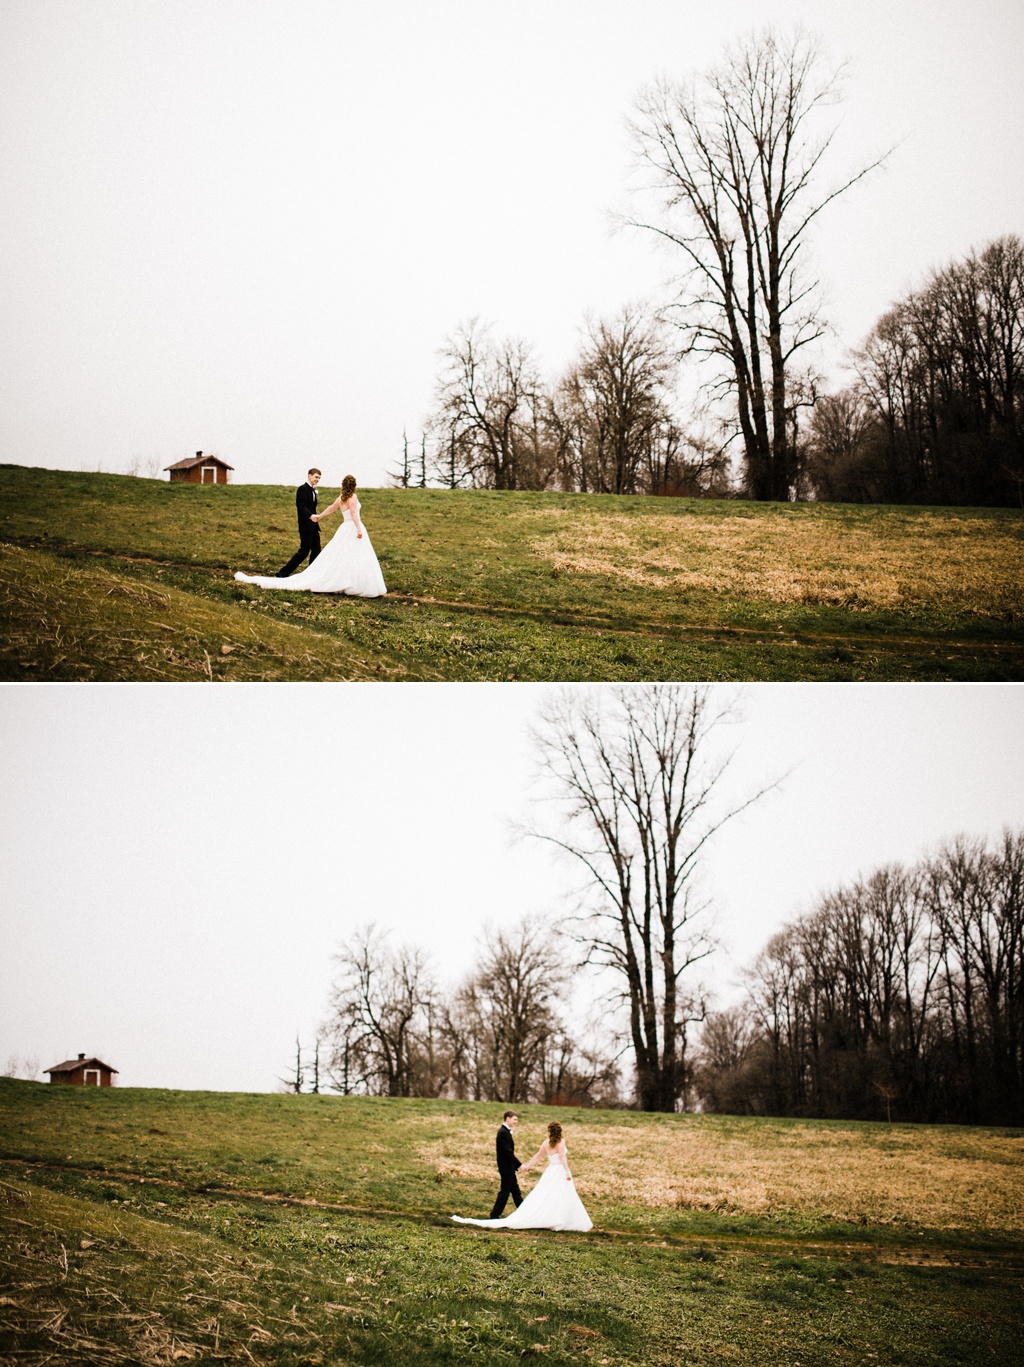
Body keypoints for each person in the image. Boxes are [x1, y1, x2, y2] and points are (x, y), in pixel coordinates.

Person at [234, 474, 386, 596]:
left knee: (342, 554)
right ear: (354, 485)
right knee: (356, 555)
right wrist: (359, 529)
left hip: (344, 528)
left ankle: (347, 579)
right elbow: (353, 513)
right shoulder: (353, 497)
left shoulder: (341, 498)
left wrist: (319, 516)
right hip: (352, 527)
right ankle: (356, 582)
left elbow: (331, 508)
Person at [452, 1120, 593, 1233]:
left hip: (550, 1172)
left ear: (550, 1131)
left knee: (547, 1195)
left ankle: (555, 1218)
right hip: (560, 1172)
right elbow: (562, 1158)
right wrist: (568, 1172)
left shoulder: (546, 1143)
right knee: (561, 1195)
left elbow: (538, 1156)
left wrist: (527, 1166)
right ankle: (559, 1219)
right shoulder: (561, 1143)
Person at [279, 467, 322, 578]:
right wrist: (310, 516)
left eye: (319, 478)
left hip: (314, 526)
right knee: (304, 551)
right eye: (316, 477)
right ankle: (283, 572)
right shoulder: (302, 489)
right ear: (309, 476)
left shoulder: (313, 491)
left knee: (317, 550)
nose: (317, 479)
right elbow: (301, 506)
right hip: (306, 526)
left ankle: (311, 574)